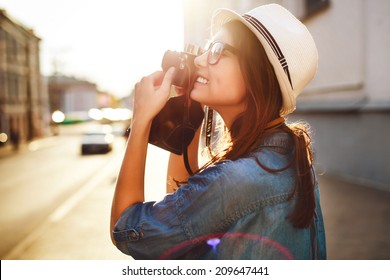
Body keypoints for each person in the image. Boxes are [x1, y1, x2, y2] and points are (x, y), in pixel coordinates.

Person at [110, 4, 326, 260]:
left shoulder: (238, 180)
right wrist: (190, 111)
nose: (200, 60)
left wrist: (141, 120)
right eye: (205, 48)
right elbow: (182, 221)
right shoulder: (289, 155)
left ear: (257, 73)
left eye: (218, 50)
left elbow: (125, 228)